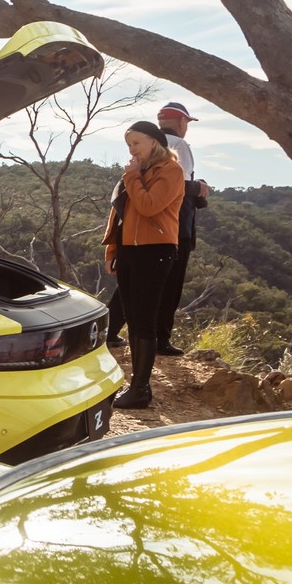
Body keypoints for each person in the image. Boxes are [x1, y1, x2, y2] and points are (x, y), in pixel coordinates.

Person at [103, 120, 185, 409]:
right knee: (133, 319)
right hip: (129, 251)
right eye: (129, 144)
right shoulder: (138, 172)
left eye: (136, 142)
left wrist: (132, 178)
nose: (132, 149)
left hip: (156, 250)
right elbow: (120, 214)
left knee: (143, 321)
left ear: (154, 142)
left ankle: (140, 388)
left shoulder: (171, 171)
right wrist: (112, 249)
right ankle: (137, 386)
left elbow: (150, 205)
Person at [154, 100, 211, 355]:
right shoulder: (180, 146)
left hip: (149, 225)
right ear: (180, 122)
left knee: (148, 282)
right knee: (171, 284)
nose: (186, 127)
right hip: (178, 227)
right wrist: (200, 191)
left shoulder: (147, 145)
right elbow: (180, 187)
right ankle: (161, 339)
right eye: (186, 122)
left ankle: (121, 334)